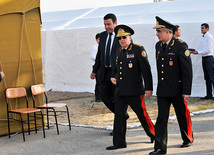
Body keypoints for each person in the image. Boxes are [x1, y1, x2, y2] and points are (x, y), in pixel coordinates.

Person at [106, 25, 155, 150]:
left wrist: (148, 88)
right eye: (120, 38)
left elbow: (146, 70)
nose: (122, 40)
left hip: (135, 90)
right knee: (119, 116)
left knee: (142, 115)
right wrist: (113, 76)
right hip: (120, 90)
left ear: (130, 37)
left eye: (124, 37)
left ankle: (154, 135)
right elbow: (117, 69)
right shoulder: (118, 52)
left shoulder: (138, 50)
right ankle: (119, 142)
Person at [149, 16, 194, 154]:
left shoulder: (181, 46)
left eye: (159, 31)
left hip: (177, 89)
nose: (156, 34)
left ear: (168, 32)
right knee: (161, 118)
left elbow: (187, 70)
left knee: (181, 114)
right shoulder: (158, 46)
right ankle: (160, 148)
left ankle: (187, 138)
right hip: (163, 90)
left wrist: (186, 90)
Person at [90, 13, 128, 135]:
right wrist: (94, 71)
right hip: (104, 72)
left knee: (117, 99)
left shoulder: (121, 36)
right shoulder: (102, 36)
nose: (106, 27)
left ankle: (118, 127)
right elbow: (99, 55)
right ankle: (121, 114)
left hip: (116, 73)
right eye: (105, 24)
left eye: (109, 24)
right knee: (103, 95)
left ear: (115, 23)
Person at [189, 23, 214, 100]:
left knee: (212, 77)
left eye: (203, 28)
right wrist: (196, 51)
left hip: (209, 58)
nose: (201, 29)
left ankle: (210, 94)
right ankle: (209, 94)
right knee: (207, 78)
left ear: (207, 29)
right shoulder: (204, 37)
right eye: (201, 28)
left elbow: (208, 50)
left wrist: (198, 52)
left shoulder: (209, 37)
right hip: (205, 58)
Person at [90, 33, 101, 102]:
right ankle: (97, 96)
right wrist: (100, 59)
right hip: (96, 65)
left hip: (101, 65)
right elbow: (92, 57)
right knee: (98, 81)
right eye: (99, 39)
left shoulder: (102, 46)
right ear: (96, 39)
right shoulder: (94, 47)